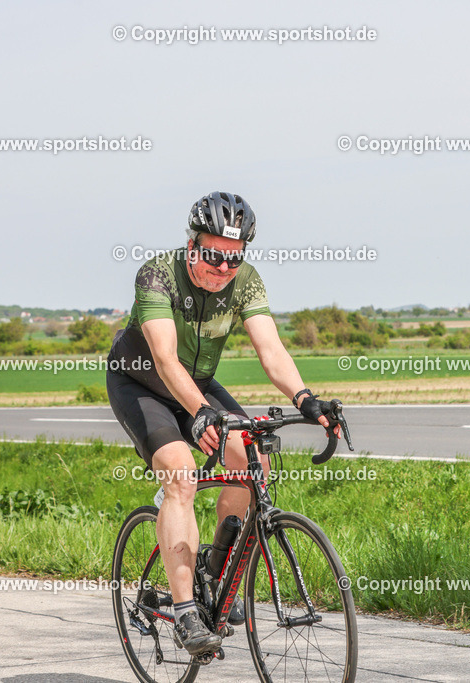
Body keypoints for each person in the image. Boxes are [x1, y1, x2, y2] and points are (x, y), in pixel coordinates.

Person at [106, 191, 341, 656]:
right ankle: (186, 610)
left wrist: (306, 398)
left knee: (253, 459)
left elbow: (271, 351)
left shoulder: (246, 282)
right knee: (181, 474)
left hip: (197, 383)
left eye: (235, 258)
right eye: (214, 255)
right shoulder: (157, 274)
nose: (223, 268)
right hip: (142, 382)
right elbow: (165, 359)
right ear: (192, 244)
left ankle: (216, 569)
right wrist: (198, 414)